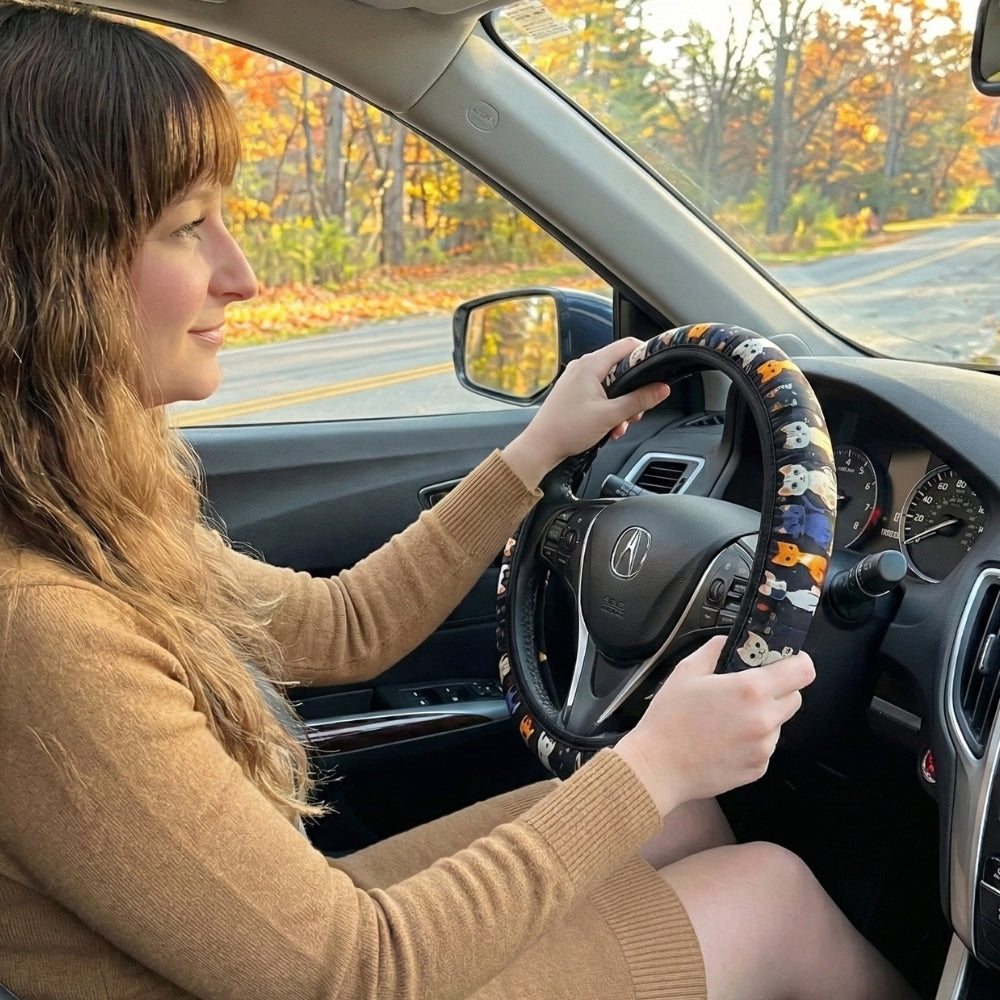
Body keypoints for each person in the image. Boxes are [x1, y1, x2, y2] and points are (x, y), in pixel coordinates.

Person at [0, 4, 919, 999]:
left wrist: (535, 447)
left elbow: (341, 624)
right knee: (770, 895)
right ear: (57, 272)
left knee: (682, 819)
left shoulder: (87, 518)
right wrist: (653, 758)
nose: (244, 274)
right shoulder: (43, 625)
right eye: (187, 227)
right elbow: (351, 970)